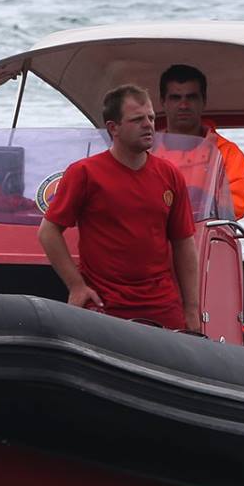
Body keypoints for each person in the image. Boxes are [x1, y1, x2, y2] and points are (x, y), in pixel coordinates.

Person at [37, 84, 203, 333]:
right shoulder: (84, 173)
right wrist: (76, 286)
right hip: (105, 305)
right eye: (137, 120)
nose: (148, 125)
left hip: (162, 306)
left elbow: (184, 243)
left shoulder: (170, 175)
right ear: (113, 128)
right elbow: (48, 232)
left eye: (151, 118)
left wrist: (191, 309)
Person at [158, 63, 244, 220]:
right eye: (176, 98)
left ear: (204, 101)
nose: (183, 105)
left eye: (191, 97)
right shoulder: (144, 150)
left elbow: (233, 209)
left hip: (206, 233)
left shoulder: (228, 153)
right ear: (163, 102)